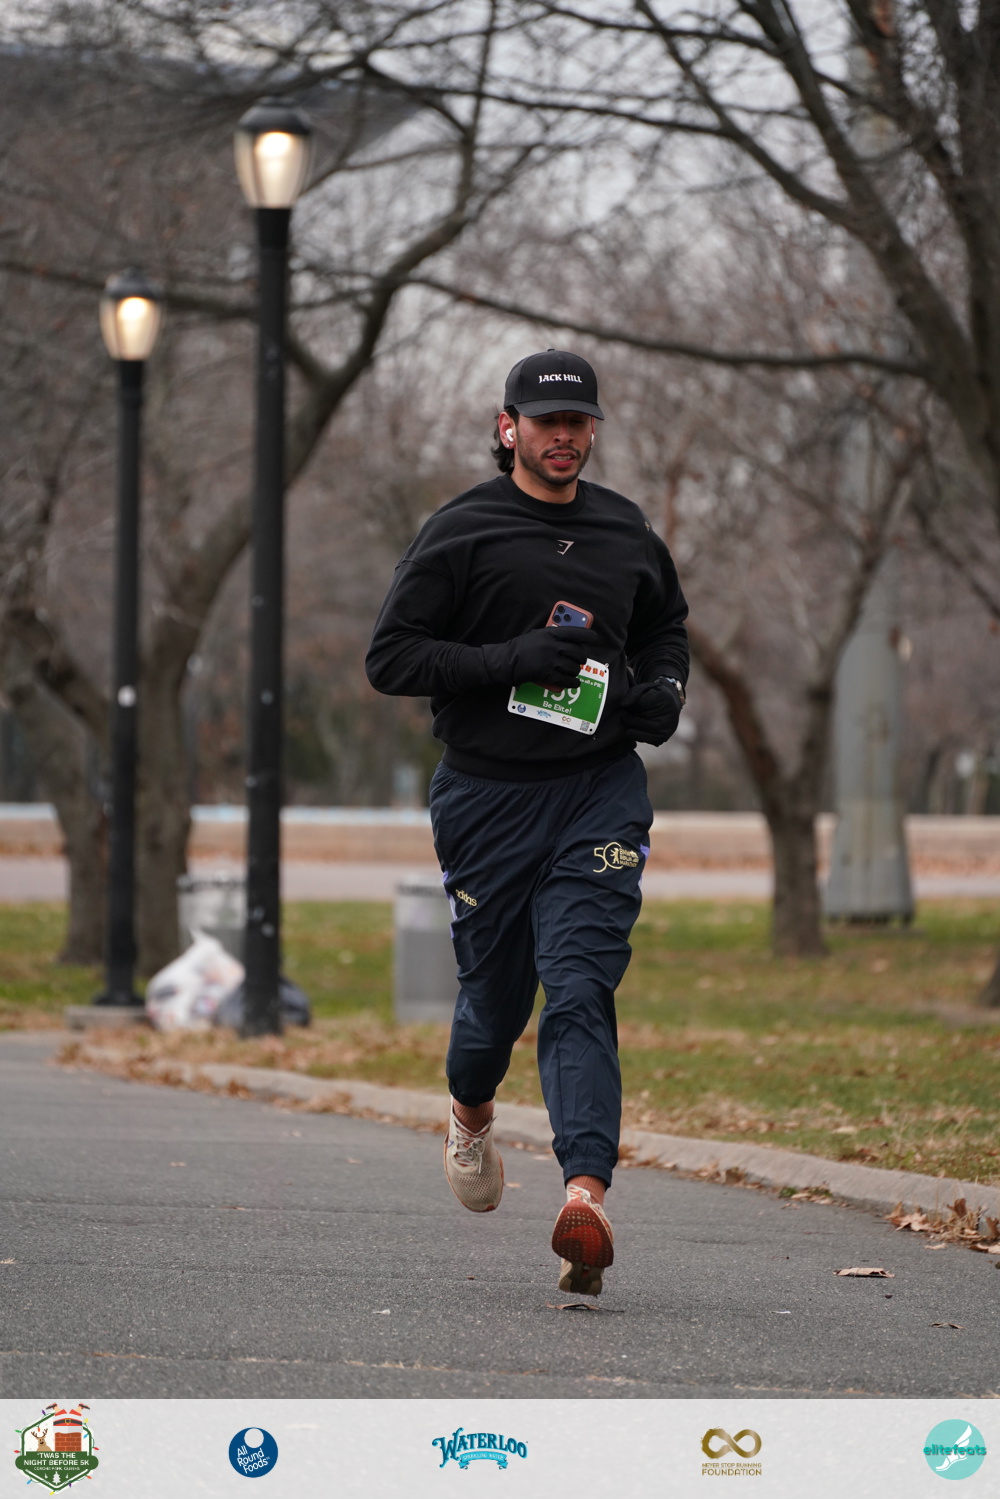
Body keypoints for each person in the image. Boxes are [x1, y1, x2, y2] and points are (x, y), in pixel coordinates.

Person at [366, 349, 688, 1295]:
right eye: (546, 422)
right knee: (496, 1006)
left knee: (580, 984)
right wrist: (511, 659)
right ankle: (470, 1110)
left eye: (578, 422)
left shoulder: (625, 530)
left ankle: (585, 1194)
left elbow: (665, 627)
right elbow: (392, 657)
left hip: (598, 790)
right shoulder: (461, 530)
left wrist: (664, 689)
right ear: (508, 427)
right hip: (487, 798)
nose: (564, 437)